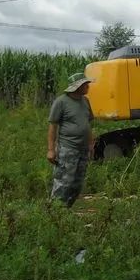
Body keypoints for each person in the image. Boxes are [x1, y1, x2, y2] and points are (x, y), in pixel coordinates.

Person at [47, 72, 95, 207]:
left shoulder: (85, 101)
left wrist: (91, 144)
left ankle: (66, 211)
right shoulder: (61, 102)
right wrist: (51, 150)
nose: (88, 86)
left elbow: (88, 124)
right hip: (67, 149)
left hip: (83, 149)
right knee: (63, 183)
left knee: (77, 184)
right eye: (86, 84)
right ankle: (54, 213)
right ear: (77, 86)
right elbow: (53, 126)